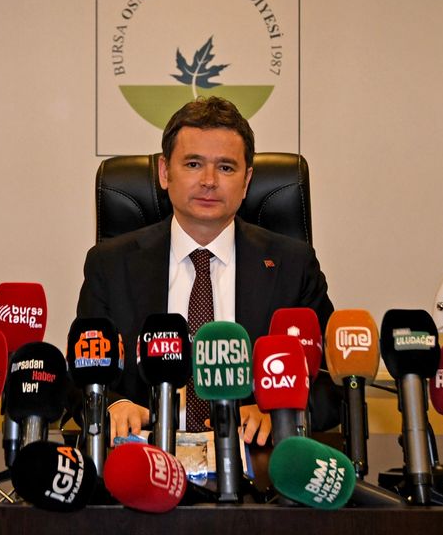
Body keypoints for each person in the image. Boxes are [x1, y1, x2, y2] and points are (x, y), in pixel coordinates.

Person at [77, 97, 337, 445]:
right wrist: (111, 404)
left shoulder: (293, 265)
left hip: (254, 463)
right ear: (165, 172)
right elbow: (81, 374)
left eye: (226, 168)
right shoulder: (110, 265)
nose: (209, 181)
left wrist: (280, 410)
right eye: (193, 164)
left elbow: (330, 383)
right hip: (144, 458)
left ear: (246, 181)